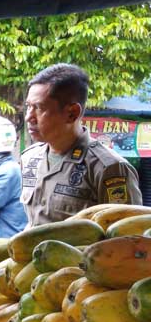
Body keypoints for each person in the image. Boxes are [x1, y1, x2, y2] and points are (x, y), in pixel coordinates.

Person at [21, 63, 142, 225]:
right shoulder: (29, 159)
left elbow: (128, 238)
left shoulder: (109, 169)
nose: (29, 117)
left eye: (39, 108)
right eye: (28, 106)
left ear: (72, 113)